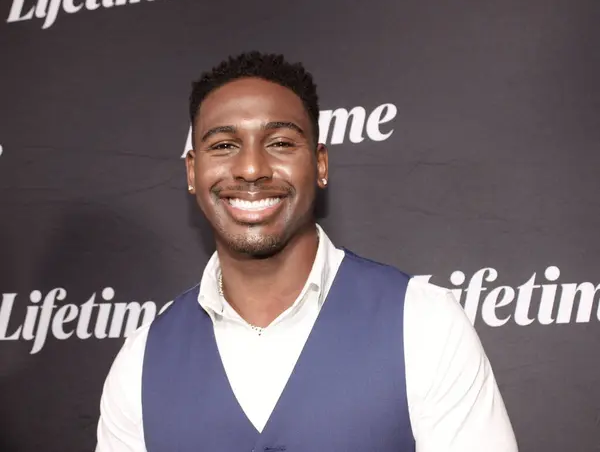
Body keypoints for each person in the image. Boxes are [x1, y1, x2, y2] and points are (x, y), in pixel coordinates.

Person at [95, 52, 518, 452]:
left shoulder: (423, 323)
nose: (251, 169)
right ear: (192, 171)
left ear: (320, 165)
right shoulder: (142, 361)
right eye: (223, 145)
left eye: (279, 142)